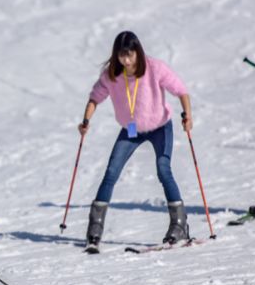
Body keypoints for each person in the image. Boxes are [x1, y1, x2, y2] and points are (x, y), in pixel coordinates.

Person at [78, 32, 194, 253]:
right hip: (131, 130)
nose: (126, 61)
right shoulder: (111, 75)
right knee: (111, 172)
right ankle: (95, 229)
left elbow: (181, 91)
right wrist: (85, 120)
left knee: (163, 168)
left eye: (129, 55)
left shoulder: (154, 68)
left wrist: (188, 116)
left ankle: (179, 225)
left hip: (160, 127)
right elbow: (95, 97)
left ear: (137, 51)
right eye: (121, 56)